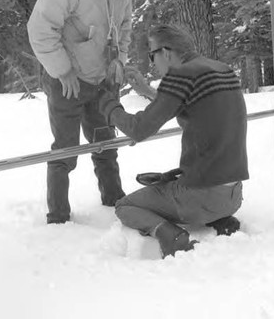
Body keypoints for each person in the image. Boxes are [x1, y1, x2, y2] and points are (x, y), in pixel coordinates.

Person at [27, 0, 157, 224]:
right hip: (66, 83)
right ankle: (58, 216)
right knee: (66, 150)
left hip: (103, 81)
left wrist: (118, 62)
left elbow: (123, 29)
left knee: (105, 144)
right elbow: (40, 29)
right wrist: (63, 70)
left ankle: (114, 200)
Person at [98, 24, 249, 258]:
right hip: (233, 196)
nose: (152, 64)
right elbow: (190, 105)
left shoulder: (181, 74)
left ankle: (171, 236)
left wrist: (108, 104)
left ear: (166, 53)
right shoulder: (221, 69)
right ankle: (220, 219)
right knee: (169, 185)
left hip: (200, 198)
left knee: (125, 206)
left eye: (152, 55)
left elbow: (139, 129)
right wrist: (146, 89)